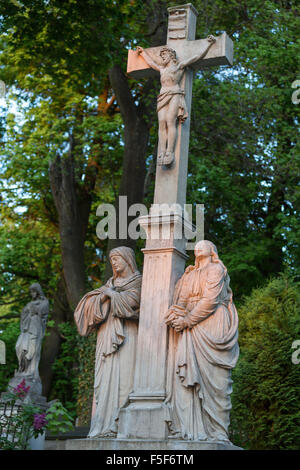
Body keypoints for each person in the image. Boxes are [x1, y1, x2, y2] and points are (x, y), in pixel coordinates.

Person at [165, 240, 239, 441]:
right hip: (190, 328)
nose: (198, 246)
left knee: (217, 380)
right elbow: (180, 301)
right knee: (188, 378)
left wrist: (187, 320)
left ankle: (218, 432)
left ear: (212, 250)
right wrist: (175, 315)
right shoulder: (189, 274)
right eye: (196, 245)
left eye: (203, 244)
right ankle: (191, 429)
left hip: (213, 324)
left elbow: (210, 300)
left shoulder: (216, 269)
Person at [74, 247, 142, 438]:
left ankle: (121, 425)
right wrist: (105, 295)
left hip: (128, 335)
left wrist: (112, 295)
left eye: (117, 258)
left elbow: (133, 303)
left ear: (128, 259)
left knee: (125, 379)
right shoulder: (108, 284)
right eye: (111, 259)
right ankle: (103, 424)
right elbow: (86, 309)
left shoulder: (140, 281)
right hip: (106, 336)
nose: (114, 262)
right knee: (104, 382)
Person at [137, 35, 216, 166]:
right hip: (162, 96)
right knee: (161, 122)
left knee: (170, 120)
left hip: (174, 93)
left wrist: (208, 44)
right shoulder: (162, 69)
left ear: (171, 56)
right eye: (161, 56)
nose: (162, 57)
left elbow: (196, 57)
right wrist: (142, 53)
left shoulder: (179, 66)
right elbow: (151, 63)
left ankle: (169, 151)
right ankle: (162, 151)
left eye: (164, 55)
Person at [15, 283, 49, 378]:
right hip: (26, 329)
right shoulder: (29, 304)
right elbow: (24, 314)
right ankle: (23, 369)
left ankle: (31, 372)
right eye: (31, 292)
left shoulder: (44, 302)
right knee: (19, 347)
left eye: (34, 291)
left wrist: (33, 309)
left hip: (35, 329)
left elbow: (42, 313)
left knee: (33, 351)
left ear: (38, 291)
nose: (32, 293)